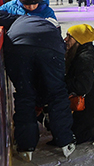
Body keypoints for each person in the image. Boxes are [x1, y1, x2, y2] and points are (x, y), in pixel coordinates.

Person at [2, 11, 75, 161]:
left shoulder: (18, 18)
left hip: (19, 47)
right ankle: (65, 141)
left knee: (25, 94)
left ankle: (26, 146)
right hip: (50, 48)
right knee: (57, 93)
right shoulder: (49, 26)